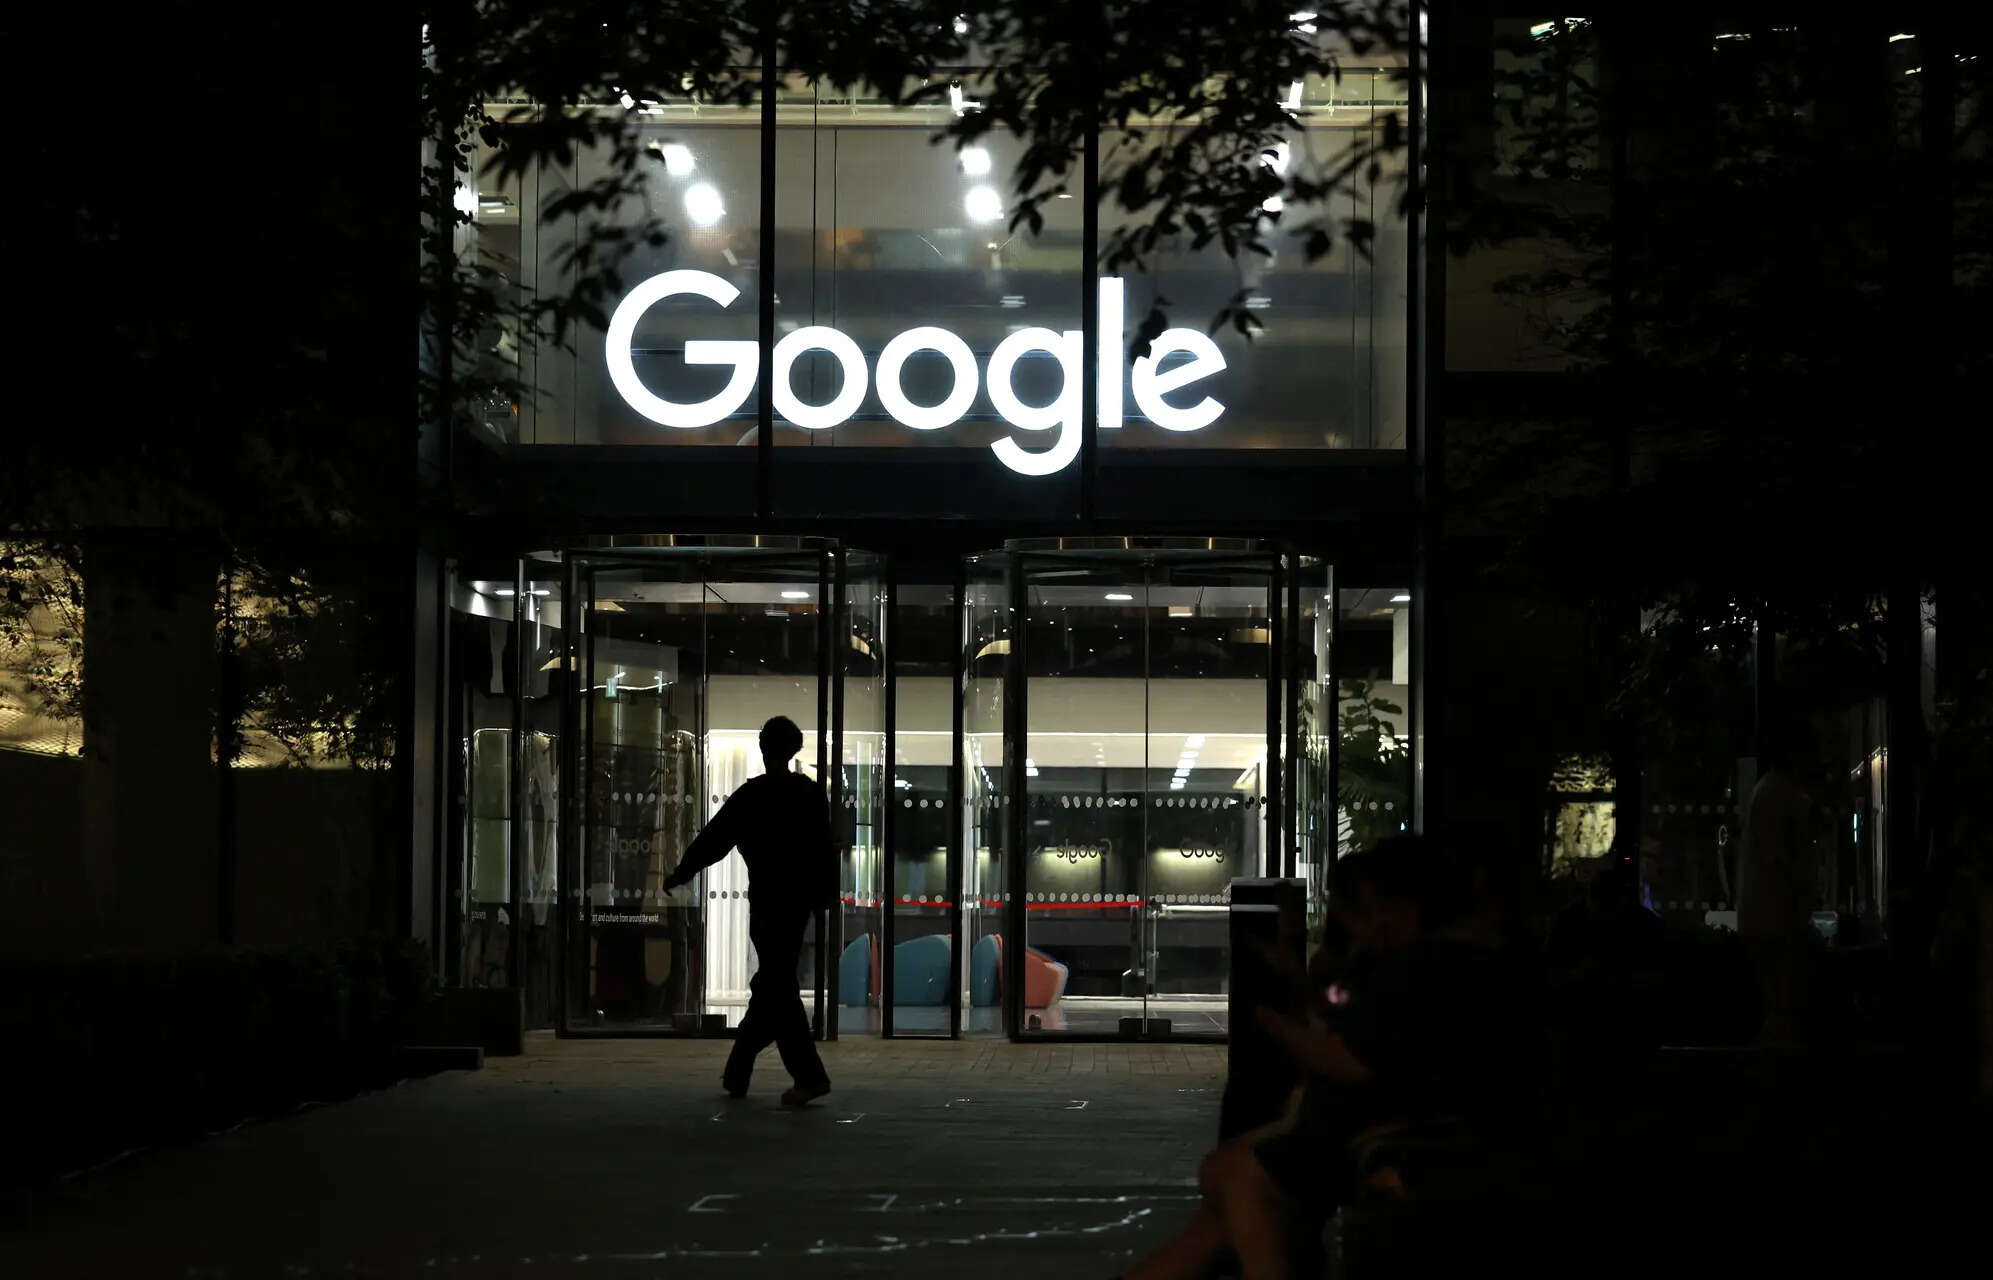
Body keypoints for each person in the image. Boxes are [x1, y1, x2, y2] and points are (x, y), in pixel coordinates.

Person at [1126, 836, 1523, 1280]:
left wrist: (1272, 1020)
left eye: (1371, 906)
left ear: (1405, 904)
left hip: (1380, 1132)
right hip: (1383, 1126)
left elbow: (1348, 1059)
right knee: (1226, 1195)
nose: (1368, 921)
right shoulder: (1449, 961)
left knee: (1236, 1178)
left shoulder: (1431, 965)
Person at [661, 716, 836, 1106]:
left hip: (768, 902)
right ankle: (738, 1071)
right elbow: (824, 850)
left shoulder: (752, 796)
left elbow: (714, 840)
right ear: (794, 749)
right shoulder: (808, 794)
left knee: (778, 987)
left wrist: (682, 873)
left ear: (762, 747)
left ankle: (807, 1076)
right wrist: (823, 897)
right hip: (796, 904)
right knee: (774, 985)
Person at [1738, 714, 1825, 1046]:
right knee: (1785, 1007)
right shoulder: (1780, 795)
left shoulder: (1771, 792)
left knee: (1782, 1007)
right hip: (1777, 920)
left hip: (1770, 918)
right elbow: (1779, 860)